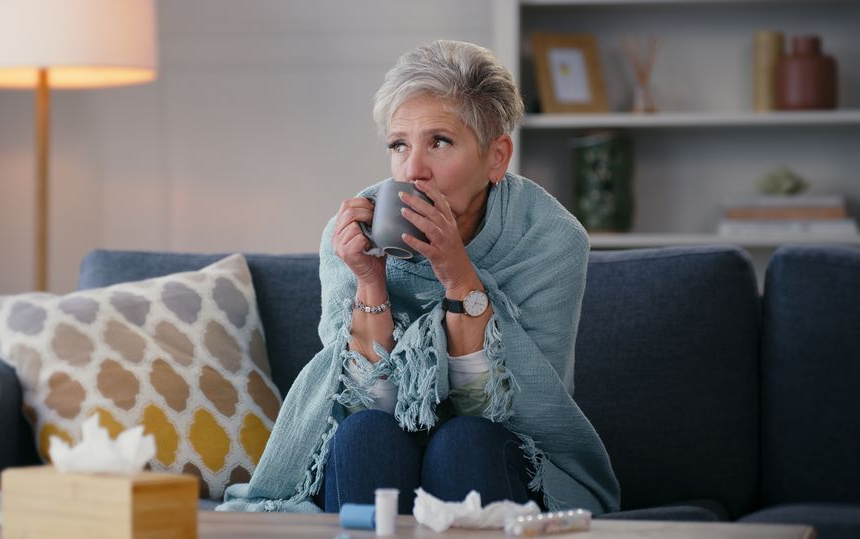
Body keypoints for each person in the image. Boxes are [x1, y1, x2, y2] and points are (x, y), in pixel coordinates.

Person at [219, 40, 620, 516]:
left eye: (440, 142)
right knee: (364, 434)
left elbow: (514, 415)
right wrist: (370, 281)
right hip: (379, 441)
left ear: (496, 157)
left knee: (465, 441)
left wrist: (457, 277)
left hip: (499, 452)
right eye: (399, 145)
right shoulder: (351, 233)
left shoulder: (549, 240)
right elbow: (365, 405)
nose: (413, 170)